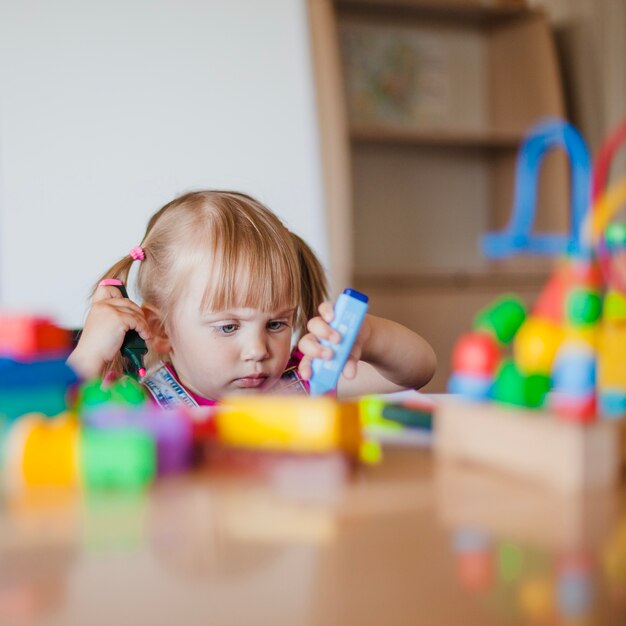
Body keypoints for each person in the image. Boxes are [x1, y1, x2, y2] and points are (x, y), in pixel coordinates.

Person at [67, 190, 435, 406]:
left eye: (276, 323)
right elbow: (39, 432)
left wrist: (368, 338)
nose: (258, 349)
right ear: (160, 329)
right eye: (228, 327)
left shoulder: (303, 381)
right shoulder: (143, 404)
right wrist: (87, 356)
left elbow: (418, 370)